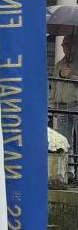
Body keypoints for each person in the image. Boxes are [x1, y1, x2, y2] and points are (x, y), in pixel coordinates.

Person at [52, 35, 78, 169]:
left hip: (76, 105)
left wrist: (71, 75)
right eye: (64, 45)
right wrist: (52, 105)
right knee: (64, 142)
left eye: (68, 45)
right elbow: (54, 86)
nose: (66, 48)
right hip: (61, 106)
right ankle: (68, 172)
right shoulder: (59, 65)